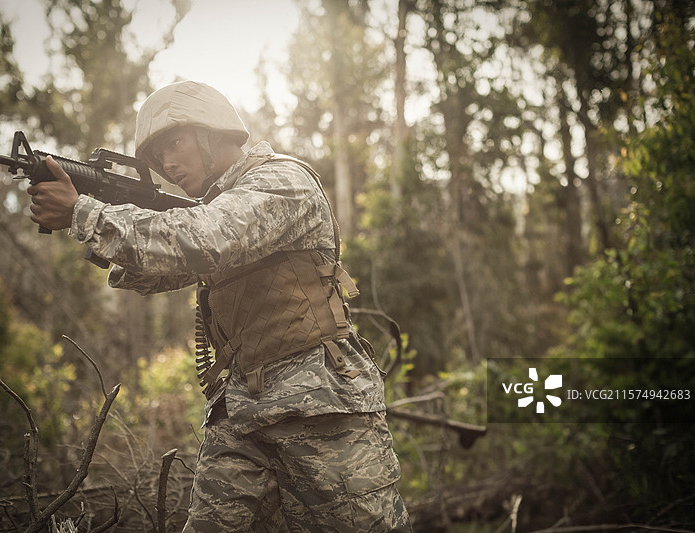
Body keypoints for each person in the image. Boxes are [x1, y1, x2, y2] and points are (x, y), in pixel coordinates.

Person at [27, 80, 411, 532]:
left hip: (321, 405)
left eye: (174, 143)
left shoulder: (281, 180)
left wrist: (84, 214)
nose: (167, 164)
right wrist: (98, 217)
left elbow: (204, 239)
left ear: (214, 133)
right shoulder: (216, 205)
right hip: (242, 411)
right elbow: (158, 273)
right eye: (155, 158)